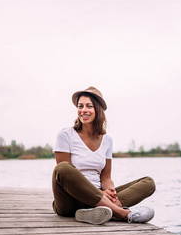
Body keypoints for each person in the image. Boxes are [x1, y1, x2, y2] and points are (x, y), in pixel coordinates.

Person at [52, 86, 156, 224]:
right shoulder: (65, 135)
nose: (83, 110)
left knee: (148, 183)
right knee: (63, 168)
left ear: (98, 110)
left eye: (89, 106)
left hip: (99, 196)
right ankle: (121, 213)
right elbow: (65, 176)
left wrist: (110, 192)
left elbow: (106, 177)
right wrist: (100, 194)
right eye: (80, 106)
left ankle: (97, 210)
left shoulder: (107, 140)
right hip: (69, 201)